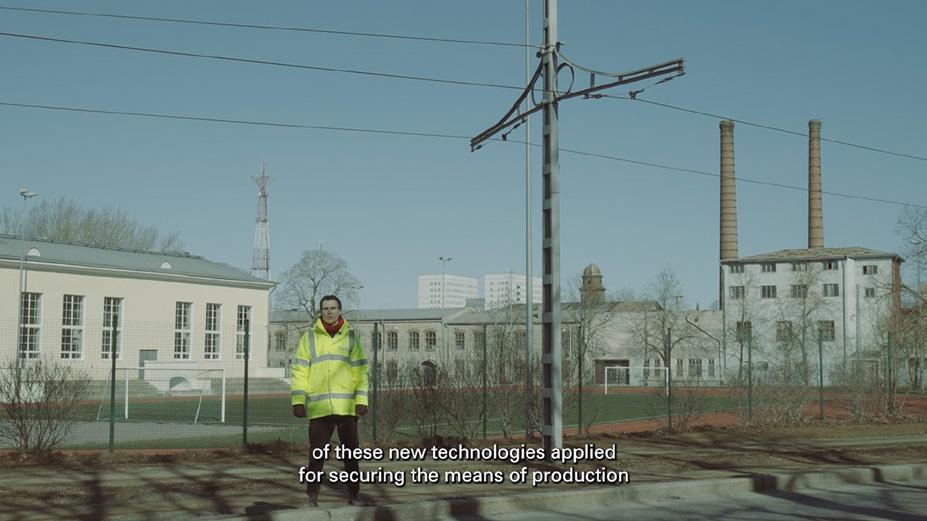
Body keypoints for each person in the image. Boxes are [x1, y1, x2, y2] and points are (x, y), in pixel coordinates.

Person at [291, 295, 369, 506]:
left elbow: (361, 371)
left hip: (346, 408)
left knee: (351, 455)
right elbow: (300, 370)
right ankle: (312, 496)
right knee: (316, 456)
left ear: (340, 310)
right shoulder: (309, 338)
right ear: (321, 311)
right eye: (325, 308)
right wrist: (298, 400)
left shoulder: (351, 338)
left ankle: (353, 494)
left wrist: (362, 399)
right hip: (320, 408)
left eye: (333, 308)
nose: (329, 311)